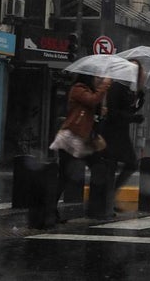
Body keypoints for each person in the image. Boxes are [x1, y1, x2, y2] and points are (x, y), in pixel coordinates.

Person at [49, 74, 112, 214]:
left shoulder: (89, 92)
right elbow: (92, 100)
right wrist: (105, 85)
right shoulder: (78, 89)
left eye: (101, 79)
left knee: (99, 167)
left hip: (84, 140)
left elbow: (92, 109)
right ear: (88, 78)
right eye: (96, 78)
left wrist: (101, 111)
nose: (99, 81)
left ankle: (96, 207)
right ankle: (50, 208)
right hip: (70, 139)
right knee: (65, 175)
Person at [97, 62, 145, 198]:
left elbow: (129, 109)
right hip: (112, 132)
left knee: (128, 164)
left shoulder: (129, 89)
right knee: (115, 164)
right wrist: (133, 118)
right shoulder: (117, 87)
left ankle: (109, 197)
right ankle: (106, 199)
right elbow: (114, 113)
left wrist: (139, 99)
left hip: (121, 132)